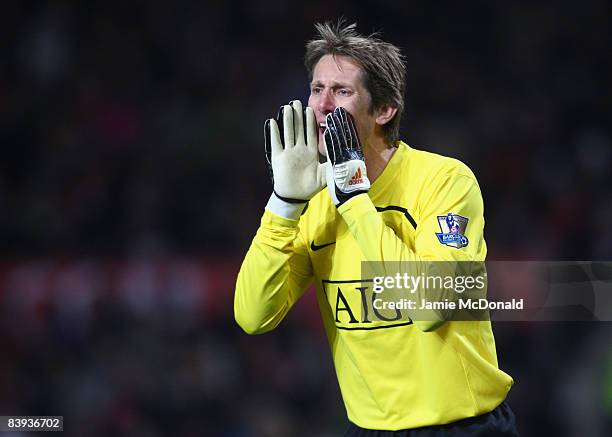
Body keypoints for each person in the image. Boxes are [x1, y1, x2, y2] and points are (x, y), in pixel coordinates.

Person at [235, 21, 519, 436]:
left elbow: (431, 308)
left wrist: (353, 199)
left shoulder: (444, 181)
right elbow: (252, 316)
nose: (322, 104)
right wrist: (284, 203)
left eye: (342, 91)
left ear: (384, 110)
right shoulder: (312, 201)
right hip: (368, 428)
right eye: (317, 89)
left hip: (461, 426)